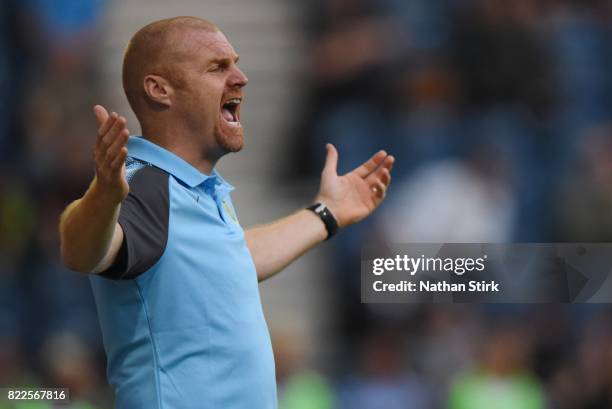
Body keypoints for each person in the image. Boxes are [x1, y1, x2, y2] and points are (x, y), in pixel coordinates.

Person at [58, 16, 394, 409]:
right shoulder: (144, 187)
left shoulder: (195, 188)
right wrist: (103, 196)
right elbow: (80, 251)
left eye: (235, 63)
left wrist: (326, 213)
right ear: (159, 89)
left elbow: (234, 258)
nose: (241, 77)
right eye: (217, 67)